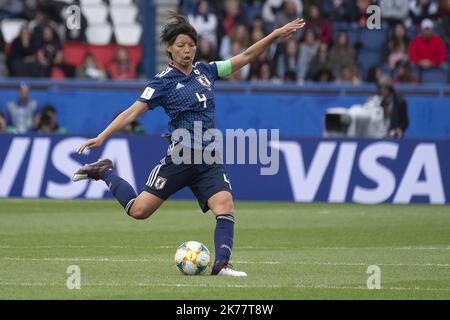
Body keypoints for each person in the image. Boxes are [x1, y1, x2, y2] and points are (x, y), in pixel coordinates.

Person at [73, 12, 305, 277]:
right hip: (180, 158)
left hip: (208, 159)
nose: (187, 50)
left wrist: (275, 35)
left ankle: (222, 265)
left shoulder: (207, 71)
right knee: (139, 211)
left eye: (191, 45)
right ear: (169, 48)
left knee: (225, 205)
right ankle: (104, 171)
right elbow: (131, 113)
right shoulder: (162, 82)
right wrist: (103, 136)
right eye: (181, 45)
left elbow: (246, 56)